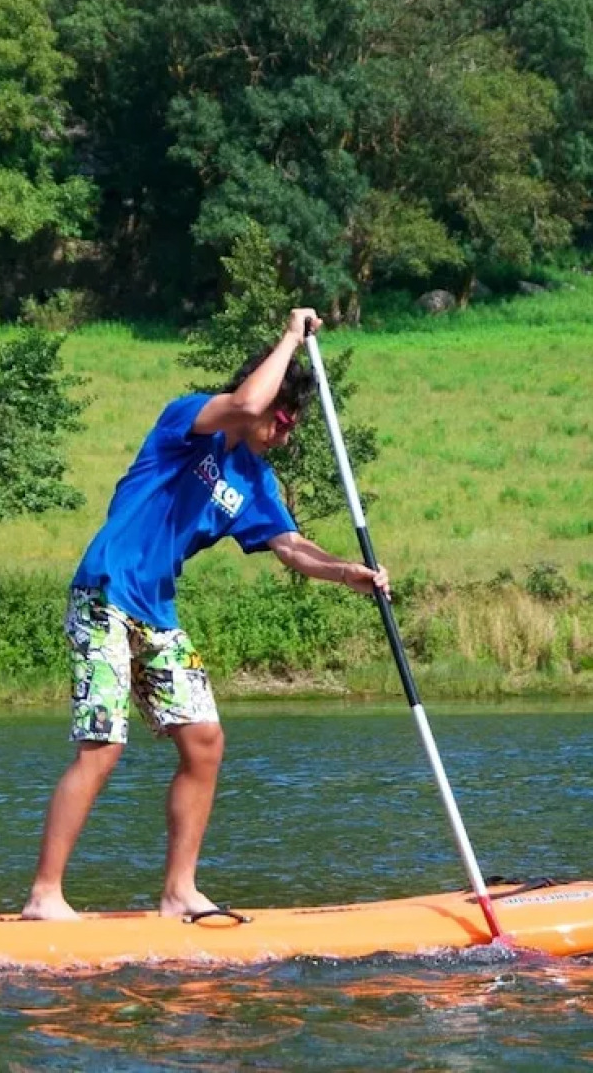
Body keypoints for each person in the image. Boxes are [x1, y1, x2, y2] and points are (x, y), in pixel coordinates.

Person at [22, 308, 391, 921]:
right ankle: (44, 895)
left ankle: (178, 893)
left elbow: (291, 547)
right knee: (102, 747)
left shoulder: (256, 482)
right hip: (105, 592)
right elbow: (247, 407)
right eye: (282, 418)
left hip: (156, 610)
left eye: (291, 423)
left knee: (205, 742)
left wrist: (345, 571)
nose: (283, 431)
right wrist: (291, 338)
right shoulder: (192, 419)